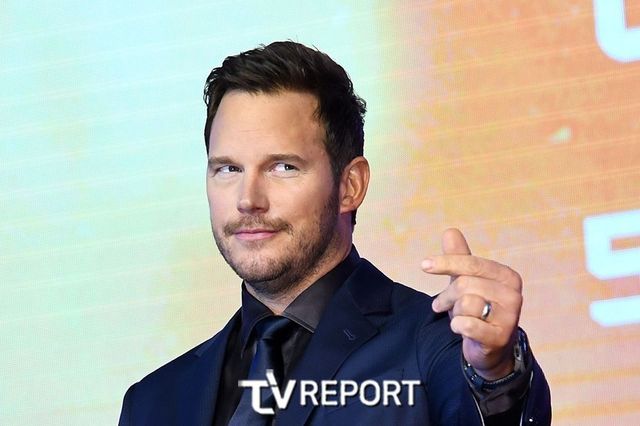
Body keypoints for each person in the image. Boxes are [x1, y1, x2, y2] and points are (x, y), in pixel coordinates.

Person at [118, 41, 551, 425]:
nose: (248, 199)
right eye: (228, 169)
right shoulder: (154, 402)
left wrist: (497, 374)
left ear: (350, 186)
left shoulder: (441, 348)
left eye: (283, 167)